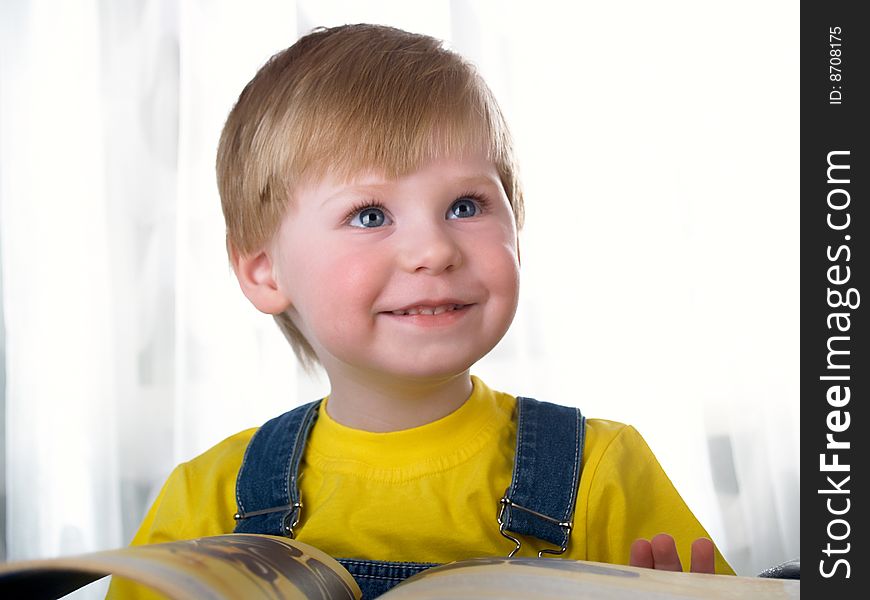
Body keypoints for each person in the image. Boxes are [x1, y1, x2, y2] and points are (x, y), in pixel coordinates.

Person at [107, 23, 733, 599]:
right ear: (264, 270)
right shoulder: (205, 503)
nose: (434, 250)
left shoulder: (602, 470)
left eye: (466, 204)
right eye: (370, 215)